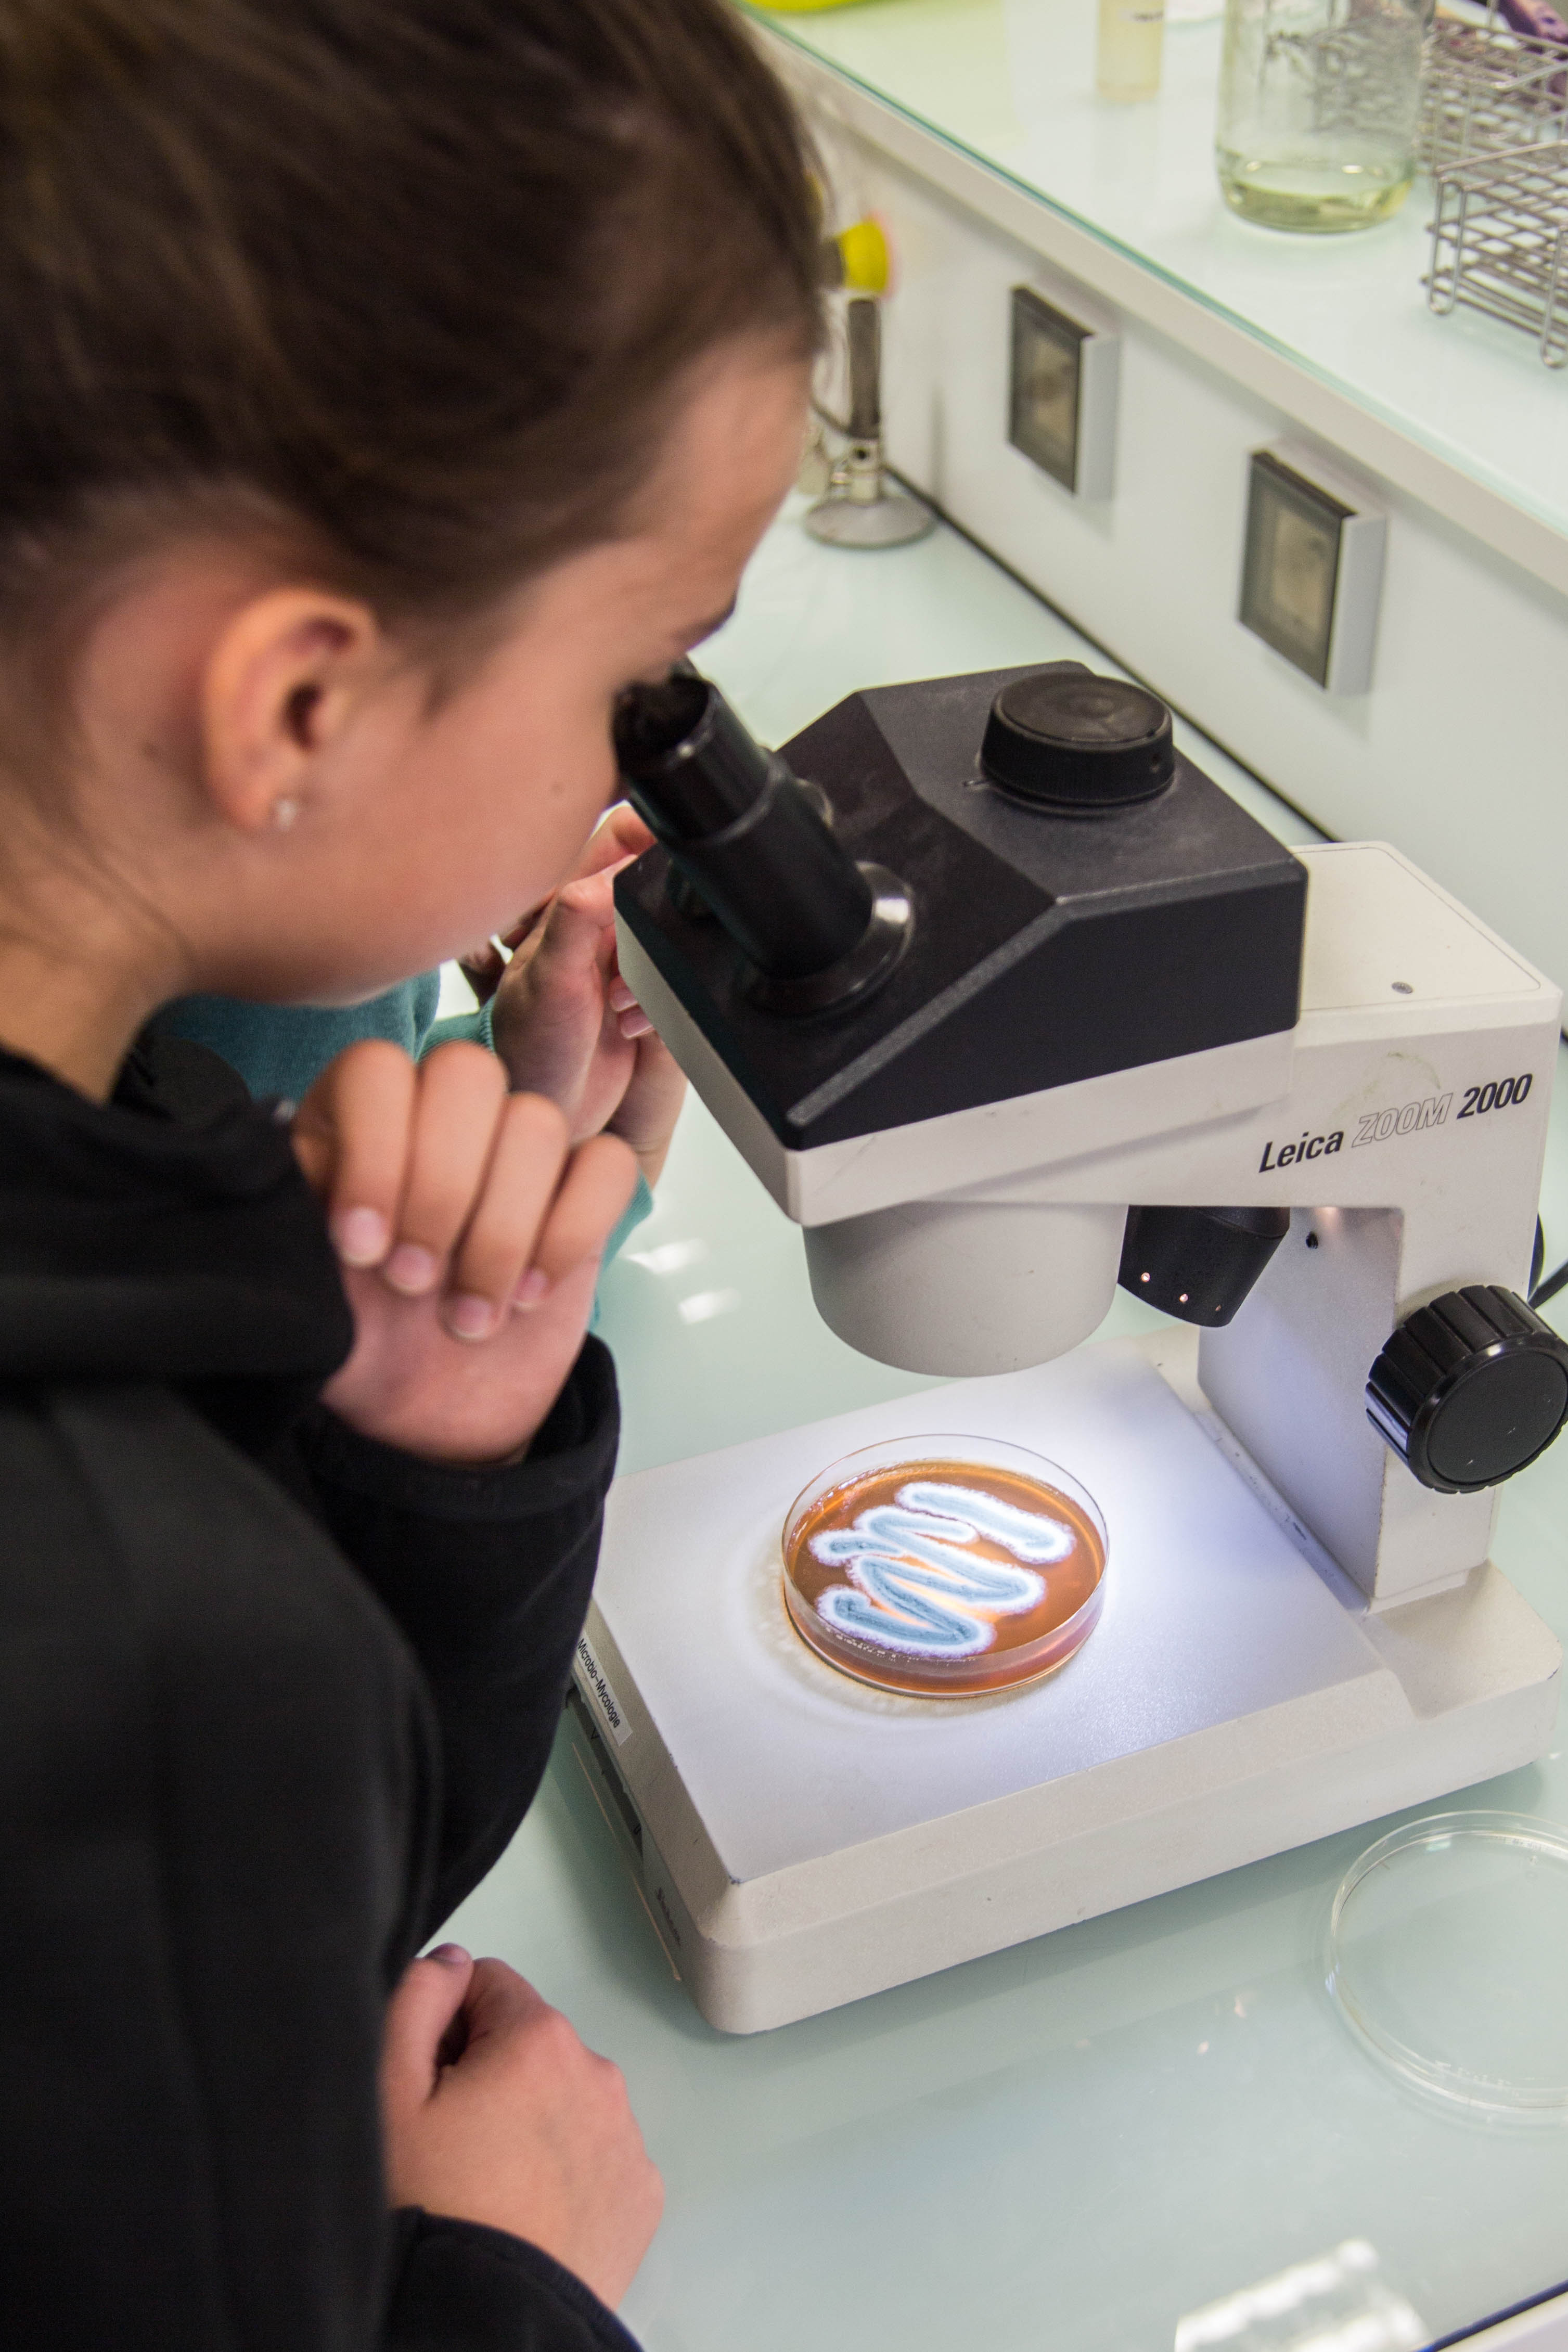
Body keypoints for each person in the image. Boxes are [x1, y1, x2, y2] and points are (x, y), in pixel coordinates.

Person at [0, 4, 819, 2348]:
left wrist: (417, 1459)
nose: (660, 760)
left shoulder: (135, 1193)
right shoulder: (132, 1638)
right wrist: (486, 2290)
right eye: (652, 671)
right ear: (293, 707)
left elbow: (240, 1915)